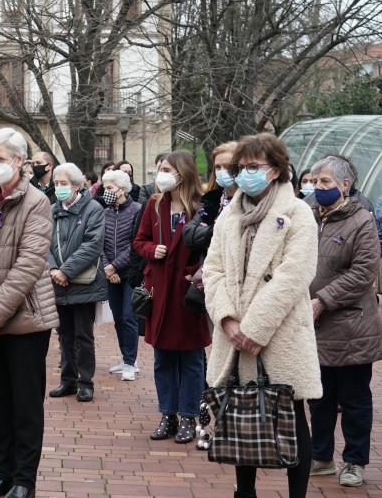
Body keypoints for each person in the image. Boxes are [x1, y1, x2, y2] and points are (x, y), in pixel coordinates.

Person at [202, 133, 323, 498]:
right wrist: (227, 319)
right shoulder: (230, 215)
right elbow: (213, 270)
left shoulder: (298, 212)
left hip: (280, 332)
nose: (243, 174)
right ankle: (245, 492)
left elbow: (295, 274)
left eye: (253, 167)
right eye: (240, 167)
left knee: (291, 416)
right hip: (234, 332)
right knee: (240, 414)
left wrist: (255, 327)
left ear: (275, 170)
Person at [0, 128, 55, 498]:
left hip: (24, 319)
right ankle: (2, 472)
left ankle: (24, 480)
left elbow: (30, 264)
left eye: (1, 159)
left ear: (20, 161)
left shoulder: (36, 202)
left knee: (25, 404)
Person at [306, 153, 382, 488]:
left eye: (325, 182)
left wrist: (323, 300)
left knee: (353, 399)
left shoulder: (362, 220)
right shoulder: (306, 216)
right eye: (314, 181)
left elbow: (364, 272)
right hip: (312, 328)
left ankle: (354, 462)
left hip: (352, 326)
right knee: (319, 397)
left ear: (345, 185)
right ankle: (321, 457)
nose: (317, 188)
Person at [133, 150, 209, 444]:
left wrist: (195, 271)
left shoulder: (200, 208)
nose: (160, 174)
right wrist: (153, 251)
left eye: (166, 169)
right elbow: (139, 241)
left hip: (188, 294)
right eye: (159, 169)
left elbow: (210, 249)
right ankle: (168, 415)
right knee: (162, 358)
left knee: (191, 360)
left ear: (182, 173)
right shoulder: (153, 205)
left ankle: (190, 416)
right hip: (159, 292)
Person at [46, 162, 107, 403]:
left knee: (83, 335)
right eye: (57, 183)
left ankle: (86, 382)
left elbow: (93, 245)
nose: (59, 187)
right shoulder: (52, 209)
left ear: (77, 186)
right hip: (57, 282)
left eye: (64, 184)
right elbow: (44, 240)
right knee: (64, 334)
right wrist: (53, 269)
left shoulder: (92, 209)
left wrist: (66, 271)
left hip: (83, 283)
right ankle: (67, 380)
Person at [182, 142, 238, 317]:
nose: (222, 171)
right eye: (218, 167)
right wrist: (214, 233)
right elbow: (188, 234)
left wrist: (210, 235)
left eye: (228, 167)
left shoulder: (250, 202)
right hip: (214, 282)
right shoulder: (213, 199)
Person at [99, 169, 143, 381]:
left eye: (109, 188)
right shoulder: (104, 213)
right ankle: (126, 357)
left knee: (129, 317)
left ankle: (131, 362)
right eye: (104, 187)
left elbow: (135, 244)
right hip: (111, 275)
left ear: (122, 189)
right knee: (118, 318)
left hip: (130, 274)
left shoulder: (137, 210)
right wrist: (108, 268)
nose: (105, 192)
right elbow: (99, 243)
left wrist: (115, 266)